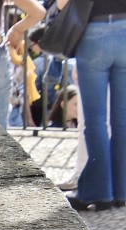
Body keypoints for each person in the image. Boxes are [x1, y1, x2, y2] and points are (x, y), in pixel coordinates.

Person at [63, 0, 126, 211]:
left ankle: (99, 192)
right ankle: (122, 191)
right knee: (122, 120)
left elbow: (62, 4)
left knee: (95, 120)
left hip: (94, 32)